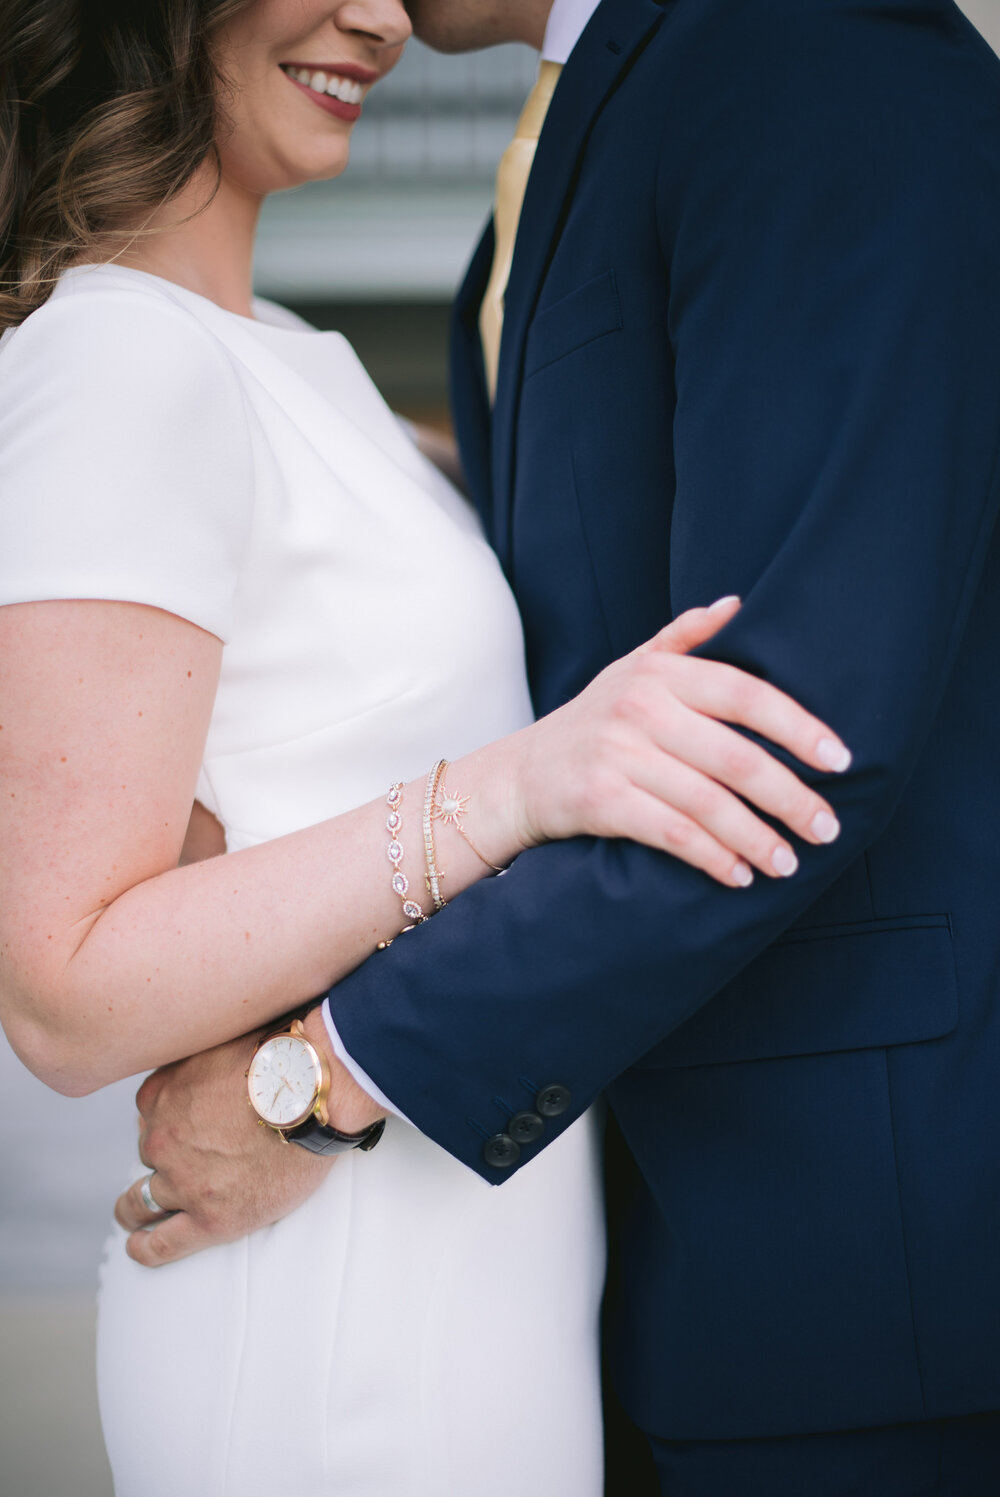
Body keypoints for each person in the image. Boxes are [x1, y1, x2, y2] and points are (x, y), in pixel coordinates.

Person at [118, 0, 1000, 1491]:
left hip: (861, 1266)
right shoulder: (577, 143)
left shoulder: (816, 51)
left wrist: (327, 1072)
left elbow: (783, 739)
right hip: (638, 1254)